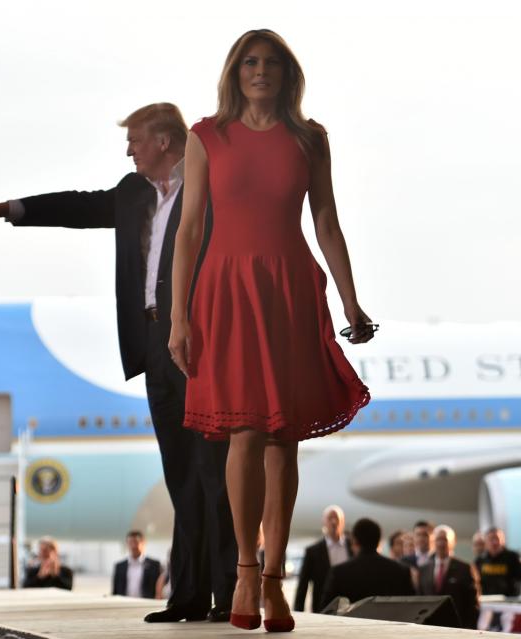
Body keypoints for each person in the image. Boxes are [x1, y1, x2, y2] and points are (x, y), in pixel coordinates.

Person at [0, 102, 237, 624]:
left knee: (213, 471)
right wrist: (7, 208)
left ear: (166, 143)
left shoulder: (209, 186)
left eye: (136, 140)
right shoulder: (132, 194)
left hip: (200, 342)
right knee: (180, 476)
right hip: (152, 343)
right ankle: (189, 596)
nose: (129, 150)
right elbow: (79, 208)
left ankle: (229, 594)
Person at [168, 28, 373, 633]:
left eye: (271, 63)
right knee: (246, 432)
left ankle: (275, 583)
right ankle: (244, 569)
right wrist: (179, 317)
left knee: (284, 439)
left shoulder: (310, 139)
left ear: (288, 74)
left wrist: (352, 303)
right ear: (235, 72)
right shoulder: (206, 136)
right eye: (250, 62)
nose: (260, 71)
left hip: (290, 288)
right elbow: (187, 231)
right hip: (226, 292)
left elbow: (328, 222)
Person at [320, 518, 414, 611]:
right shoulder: (401, 571)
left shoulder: (339, 572)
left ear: (354, 541)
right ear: (378, 541)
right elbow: (412, 608)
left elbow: (326, 610)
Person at [417, 525, 480, 629]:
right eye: (438, 539)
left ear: (453, 542)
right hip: (430, 628)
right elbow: (420, 599)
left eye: (445, 540)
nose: (441, 543)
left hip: (457, 628)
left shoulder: (465, 569)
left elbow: (473, 605)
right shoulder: (424, 570)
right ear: (433, 542)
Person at [294, 505, 351, 613]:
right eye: (330, 518)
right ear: (324, 522)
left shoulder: (352, 547)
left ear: (342, 522)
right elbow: (303, 585)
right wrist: (298, 612)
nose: (334, 522)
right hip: (322, 608)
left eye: (337, 519)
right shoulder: (313, 551)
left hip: (350, 607)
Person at [475, 527, 521, 598]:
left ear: (503, 540)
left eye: (497, 538)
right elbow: (474, 581)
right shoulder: (480, 560)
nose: (494, 542)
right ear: (486, 542)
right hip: (488, 603)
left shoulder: (512, 557)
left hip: (509, 603)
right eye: (491, 539)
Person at [112, 531, 162, 598]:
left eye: (136, 542)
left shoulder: (154, 565)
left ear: (143, 543)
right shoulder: (120, 566)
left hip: (147, 605)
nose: (133, 546)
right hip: (124, 604)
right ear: (127, 544)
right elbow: (115, 590)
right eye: (130, 543)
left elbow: (159, 588)